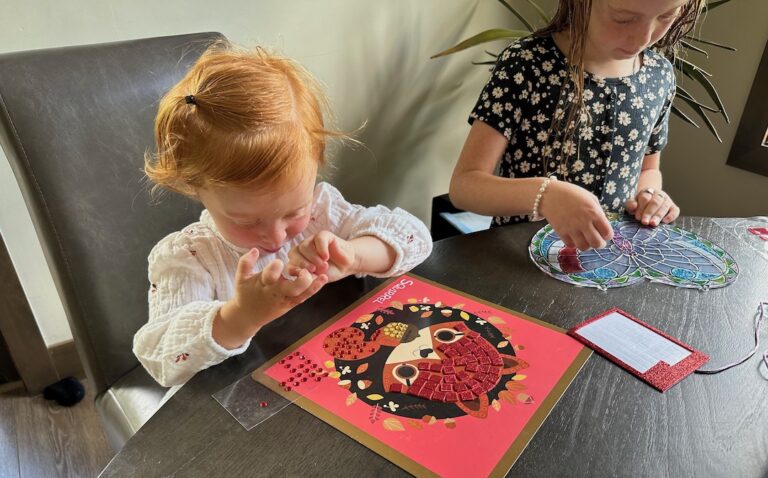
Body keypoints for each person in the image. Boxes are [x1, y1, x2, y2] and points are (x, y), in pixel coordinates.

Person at [134, 43, 433, 387]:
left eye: (294, 211)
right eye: (246, 221)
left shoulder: (324, 213)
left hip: (338, 376)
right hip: (244, 402)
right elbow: (159, 358)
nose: (278, 237)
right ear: (193, 186)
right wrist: (241, 315)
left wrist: (354, 256)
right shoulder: (190, 257)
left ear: (317, 164)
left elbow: (415, 237)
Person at [450, 0, 704, 251]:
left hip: (607, 263)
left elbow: (648, 169)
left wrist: (649, 196)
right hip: (519, 259)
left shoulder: (660, 75)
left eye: (667, 16)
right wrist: (546, 195)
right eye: (624, 18)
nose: (643, 38)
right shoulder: (527, 63)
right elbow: (465, 186)